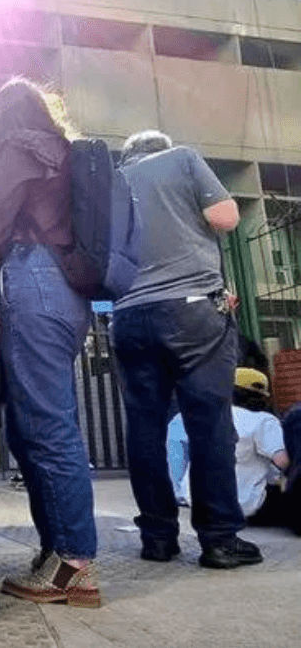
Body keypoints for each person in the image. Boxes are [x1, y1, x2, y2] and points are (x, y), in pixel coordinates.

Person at [0, 77, 100, 607]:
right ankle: (56, 551)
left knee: (47, 428)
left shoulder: (19, 148)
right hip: (67, 292)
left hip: (36, 280)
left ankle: (74, 563)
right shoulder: (61, 152)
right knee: (36, 425)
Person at [111, 130, 261, 570]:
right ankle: (219, 539)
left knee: (144, 428)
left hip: (130, 316)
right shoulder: (182, 159)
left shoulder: (114, 182)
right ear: (162, 146)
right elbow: (226, 217)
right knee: (209, 423)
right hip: (192, 310)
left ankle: (157, 537)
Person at [169, 368, 297, 534]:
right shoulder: (264, 421)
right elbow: (283, 461)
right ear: (263, 397)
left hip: (198, 502)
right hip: (243, 507)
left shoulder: (203, 416)